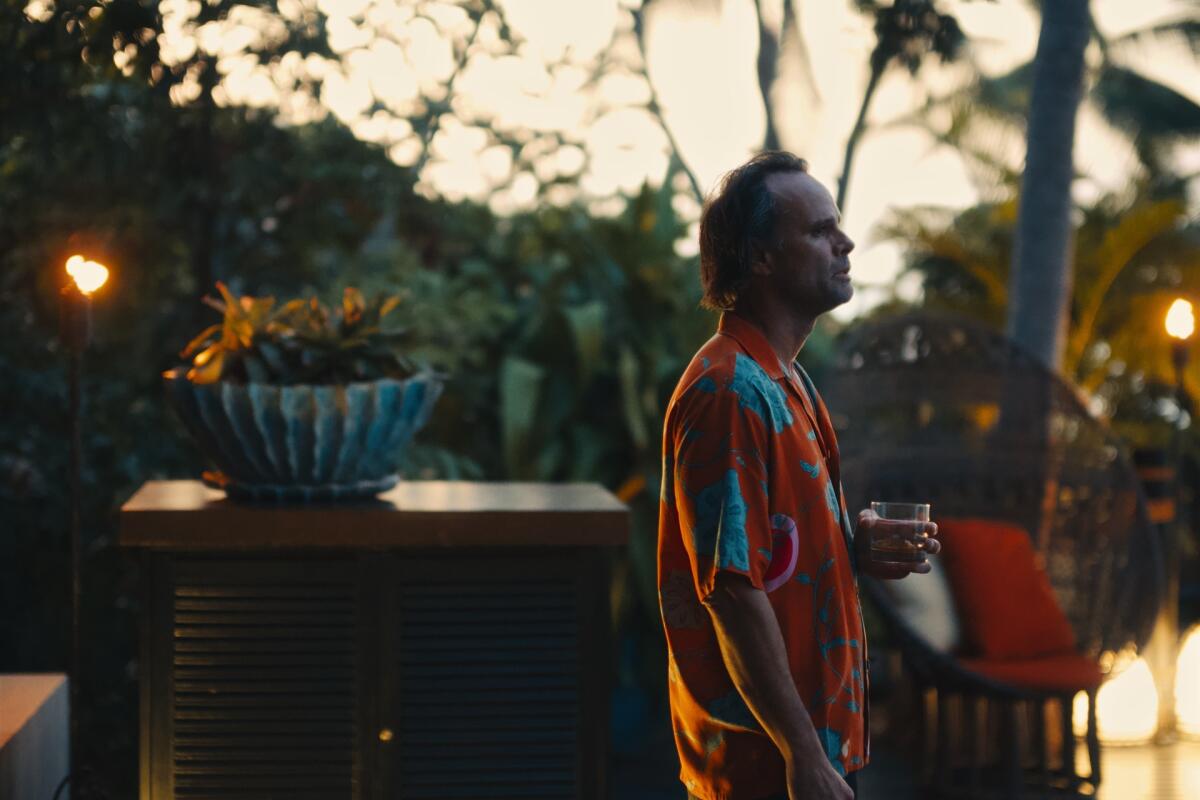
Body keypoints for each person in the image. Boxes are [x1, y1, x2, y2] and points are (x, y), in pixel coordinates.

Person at [657, 151, 940, 800]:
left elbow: (770, 548)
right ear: (760, 257)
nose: (845, 242)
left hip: (813, 747)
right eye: (819, 230)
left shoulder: (785, 380)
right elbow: (730, 588)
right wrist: (801, 753)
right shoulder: (728, 389)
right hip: (769, 762)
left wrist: (848, 543)